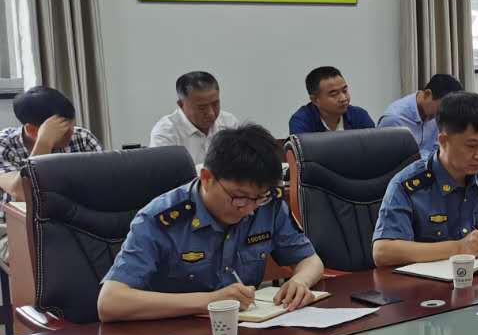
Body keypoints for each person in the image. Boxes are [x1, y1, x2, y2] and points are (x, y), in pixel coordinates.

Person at [98, 124, 326, 322]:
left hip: (248, 332)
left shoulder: (267, 204)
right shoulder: (161, 219)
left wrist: (300, 282)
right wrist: (210, 301)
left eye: (258, 198)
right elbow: (110, 302)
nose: (249, 210)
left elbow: (309, 260)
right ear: (207, 178)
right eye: (239, 197)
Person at [372, 91, 478, 267]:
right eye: (471, 146)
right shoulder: (409, 185)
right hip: (429, 283)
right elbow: (382, 252)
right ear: (443, 141)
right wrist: (459, 248)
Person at [0, 86, 104, 261]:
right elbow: (21, 191)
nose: (71, 133)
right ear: (32, 130)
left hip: (74, 224)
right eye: (63, 130)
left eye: (71, 125)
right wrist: (44, 143)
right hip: (15, 230)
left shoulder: (82, 138)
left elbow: (105, 183)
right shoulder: (4, 145)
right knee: (52, 256)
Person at [148, 71, 239, 166]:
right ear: (181, 105)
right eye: (202, 108)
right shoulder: (165, 133)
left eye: (215, 104)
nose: (211, 113)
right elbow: (166, 172)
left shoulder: (229, 123)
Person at [377, 74, 463, 155]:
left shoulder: (436, 113)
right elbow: (389, 160)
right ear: (427, 94)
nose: (443, 115)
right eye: (441, 108)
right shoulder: (394, 120)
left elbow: (438, 149)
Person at [288, 66, 375, 134]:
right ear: (315, 100)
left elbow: (374, 148)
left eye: (344, 91)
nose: (343, 98)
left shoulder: (359, 116)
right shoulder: (302, 121)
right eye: (334, 94)